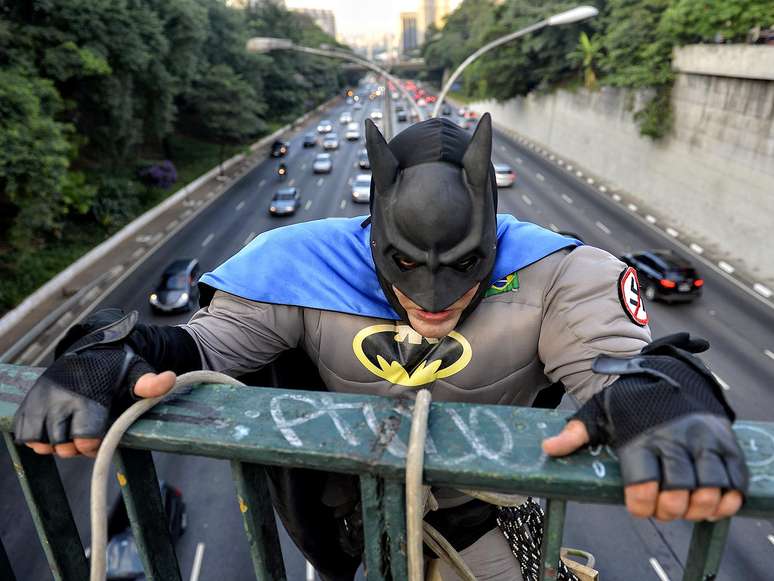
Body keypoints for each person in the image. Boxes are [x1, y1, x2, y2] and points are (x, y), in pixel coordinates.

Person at [14, 114, 748, 581]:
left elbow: (618, 362)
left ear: (493, 232)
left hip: (485, 527)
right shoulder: (299, 266)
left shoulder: (558, 271)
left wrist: (660, 396)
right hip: (344, 522)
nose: (434, 300)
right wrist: (107, 354)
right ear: (373, 235)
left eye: (462, 267)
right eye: (406, 268)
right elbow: (203, 345)